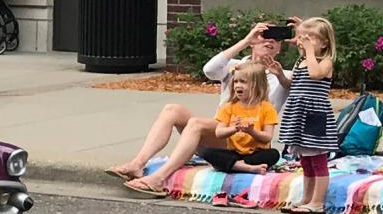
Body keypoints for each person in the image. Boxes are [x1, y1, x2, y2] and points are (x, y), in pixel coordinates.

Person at [108, 22, 286, 181]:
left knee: (196, 124)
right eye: (264, 36)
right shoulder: (234, 66)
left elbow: (308, 80)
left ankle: (159, 177)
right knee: (172, 109)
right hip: (221, 133)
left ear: (280, 48)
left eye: (277, 39)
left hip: (250, 143)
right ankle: (138, 164)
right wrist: (246, 40)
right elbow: (209, 69)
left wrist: (303, 44)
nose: (269, 41)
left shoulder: (283, 76)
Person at [122, 65, 278, 196]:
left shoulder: (267, 103)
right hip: (232, 148)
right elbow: (219, 132)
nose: (237, 85)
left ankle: (159, 177)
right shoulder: (230, 105)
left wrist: (251, 131)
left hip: (255, 151)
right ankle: (138, 163)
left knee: (272, 154)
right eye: (235, 81)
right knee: (208, 152)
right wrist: (234, 129)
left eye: (243, 82)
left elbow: (267, 137)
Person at [275, 16, 339, 214]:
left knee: (318, 160)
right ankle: (306, 198)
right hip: (298, 114)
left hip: (314, 116)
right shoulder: (301, 61)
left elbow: (315, 75)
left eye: (313, 38)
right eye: (304, 38)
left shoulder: (325, 62)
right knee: (305, 160)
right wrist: (279, 75)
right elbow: (291, 86)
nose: (306, 42)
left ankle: (317, 203)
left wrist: (310, 50)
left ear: (325, 43)